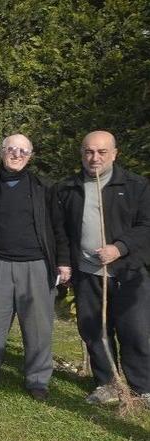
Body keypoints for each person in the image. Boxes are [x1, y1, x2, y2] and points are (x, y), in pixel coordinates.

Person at [0, 134, 69, 401]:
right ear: (2, 152)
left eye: (23, 151)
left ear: (30, 156)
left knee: (38, 327)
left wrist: (64, 262)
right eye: (11, 149)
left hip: (37, 266)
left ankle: (38, 379)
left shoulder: (44, 187)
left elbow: (59, 227)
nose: (17, 154)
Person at [56, 130, 150, 406]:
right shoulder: (69, 188)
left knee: (135, 329)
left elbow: (146, 226)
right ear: (81, 154)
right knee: (94, 330)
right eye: (88, 152)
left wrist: (119, 248)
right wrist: (65, 262)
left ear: (114, 154)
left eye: (101, 152)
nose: (94, 157)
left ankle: (141, 387)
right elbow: (61, 230)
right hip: (87, 273)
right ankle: (107, 382)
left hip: (128, 272)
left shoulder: (135, 186)